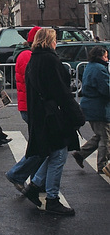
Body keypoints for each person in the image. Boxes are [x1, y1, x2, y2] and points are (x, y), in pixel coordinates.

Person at [22, 28, 85, 216]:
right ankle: (52, 199)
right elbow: (60, 91)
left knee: (54, 153)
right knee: (58, 155)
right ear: (50, 41)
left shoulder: (34, 59)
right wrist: (76, 114)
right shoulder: (50, 60)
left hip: (42, 114)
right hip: (52, 115)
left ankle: (35, 187)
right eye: (55, 39)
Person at [5, 26, 44, 191]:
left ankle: (36, 181)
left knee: (39, 145)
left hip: (28, 105)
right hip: (32, 106)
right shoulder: (28, 56)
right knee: (41, 147)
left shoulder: (24, 54)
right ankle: (18, 174)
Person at [71, 45, 110, 174]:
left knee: (100, 134)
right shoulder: (100, 69)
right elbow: (105, 89)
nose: (107, 59)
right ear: (100, 56)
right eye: (105, 56)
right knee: (106, 138)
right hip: (99, 107)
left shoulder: (91, 66)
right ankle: (102, 165)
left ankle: (81, 154)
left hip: (91, 106)